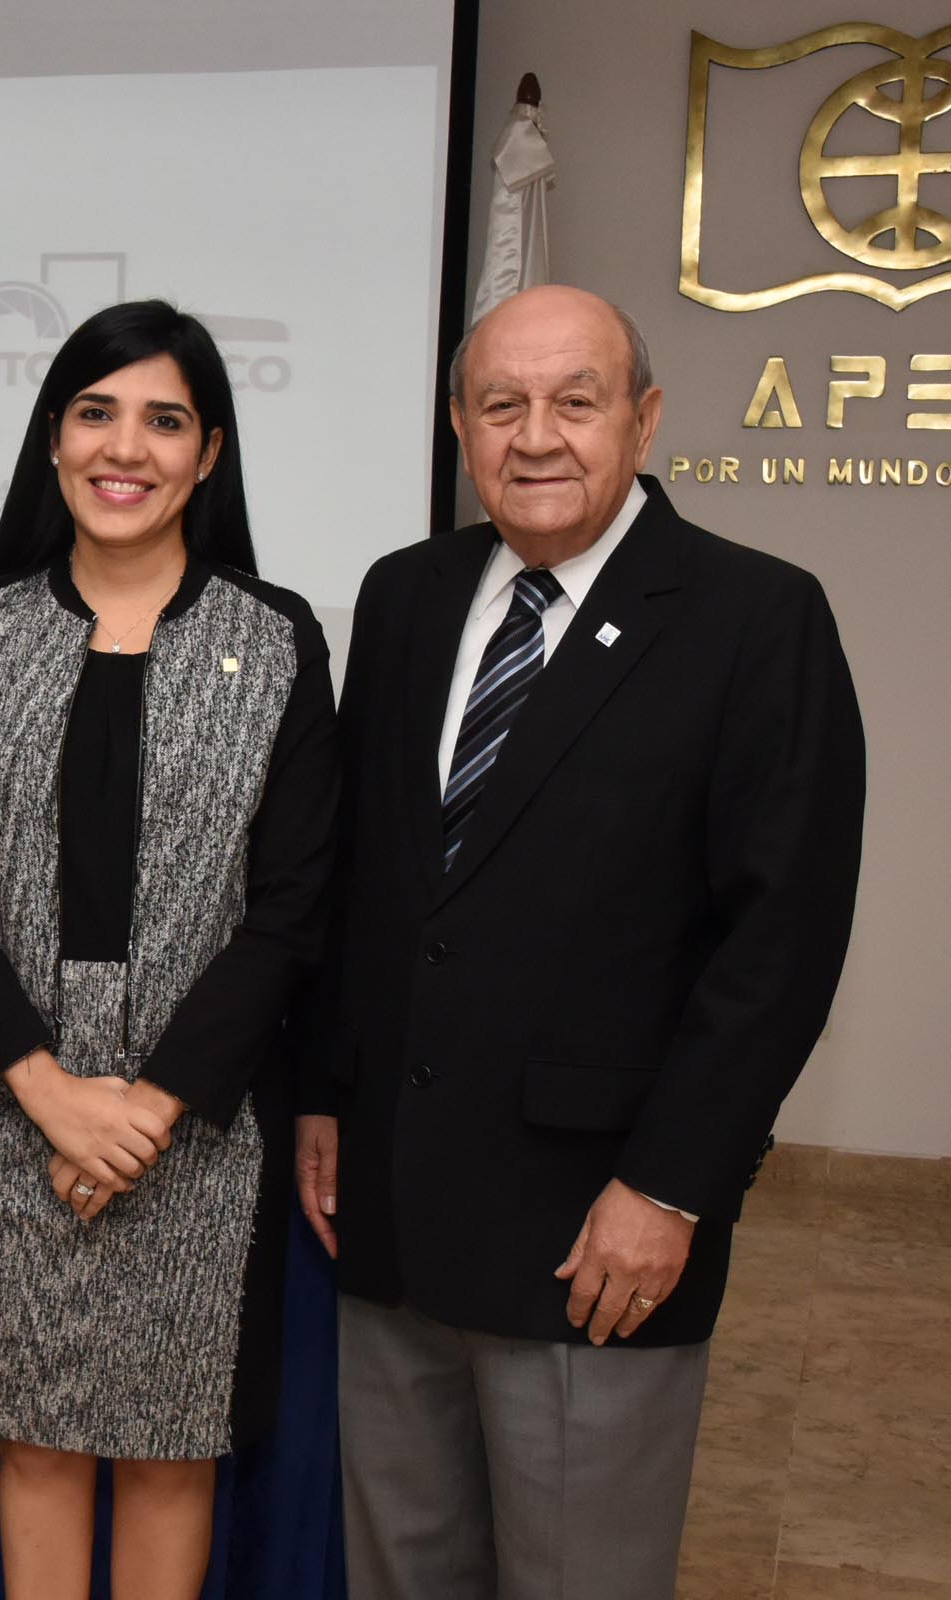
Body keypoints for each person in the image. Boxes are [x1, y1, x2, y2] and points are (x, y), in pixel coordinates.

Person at [297, 284, 864, 1600]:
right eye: (502, 404)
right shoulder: (406, 595)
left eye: (576, 401)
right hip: (391, 1213)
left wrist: (671, 1188)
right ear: (459, 427)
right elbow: (363, 874)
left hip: (595, 1235)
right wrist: (326, 1087)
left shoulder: (755, 618)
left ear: (645, 420)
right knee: (401, 1575)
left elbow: (780, 943)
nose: (536, 435)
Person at [0, 299, 339, 1599]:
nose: (125, 447)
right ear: (54, 438)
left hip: (200, 1122)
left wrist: (142, 1112)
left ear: (209, 453)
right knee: (35, 1440)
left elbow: (294, 906)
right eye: (96, 413)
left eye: (164, 419)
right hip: (14, 1110)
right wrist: (50, 1094)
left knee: (169, 1450)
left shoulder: (274, 640)